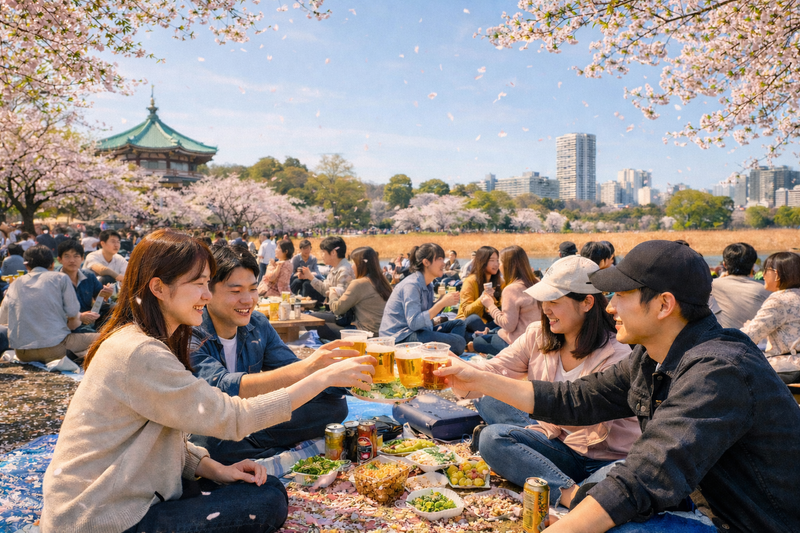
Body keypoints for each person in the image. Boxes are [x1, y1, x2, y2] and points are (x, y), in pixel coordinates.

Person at [435, 240, 800, 533]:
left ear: (663, 305)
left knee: (610, 520)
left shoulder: (718, 370)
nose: (610, 307)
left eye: (621, 294)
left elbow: (645, 475)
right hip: (702, 501)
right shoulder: (650, 356)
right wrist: (479, 378)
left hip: (747, 522)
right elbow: (575, 398)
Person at [41, 229, 375, 533]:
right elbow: (230, 413)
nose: (205, 294)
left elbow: (161, 429)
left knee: (263, 479)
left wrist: (211, 468)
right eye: (199, 284)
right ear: (158, 287)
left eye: (207, 283)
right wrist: (319, 374)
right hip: (101, 517)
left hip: (129, 489)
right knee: (268, 499)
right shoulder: (141, 351)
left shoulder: (159, 338)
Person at [466, 255, 638, 508]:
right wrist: (460, 369)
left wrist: (533, 424)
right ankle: (558, 476)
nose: (545, 309)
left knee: (493, 438)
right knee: (488, 400)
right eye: (544, 301)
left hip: (601, 456)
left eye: (554, 302)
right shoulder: (539, 333)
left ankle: (570, 494)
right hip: (556, 439)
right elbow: (496, 368)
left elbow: (584, 417)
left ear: (587, 302)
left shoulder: (618, 355)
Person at [189, 245, 350, 464]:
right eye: (235, 291)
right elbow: (223, 386)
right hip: (215, 421)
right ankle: (263, 447)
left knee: (334, 404)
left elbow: (290, 368)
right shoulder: (191, 333)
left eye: (253, 289)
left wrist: (344, 380)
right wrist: (309, 367)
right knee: (207, 442)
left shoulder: (258, 324)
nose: (247, 300)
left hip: (254, 419)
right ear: (208, 292)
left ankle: (254, 447)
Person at [0, 245, 96, 363]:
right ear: (52, 264)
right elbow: (73, 315)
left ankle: (77, 355)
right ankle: (78, 356)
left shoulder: (15, 283)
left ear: (26, 265)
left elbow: (3, 318)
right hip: (54, 348)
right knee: (106, 337)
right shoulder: (61, 278)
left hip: (23, 353)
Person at [379, 243, 467, 354]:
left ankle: (444, 350)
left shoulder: (428, 285)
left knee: (459, 324)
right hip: (399, 338)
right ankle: (446, 349)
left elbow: (426, 315)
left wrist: (441, 301)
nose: (443, 263)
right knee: (459, 343)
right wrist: (441, 304)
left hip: (418, 331)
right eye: (439, 259)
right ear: (426, 262)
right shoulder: (411, 285)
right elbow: (415, 323)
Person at [471, 245, 541, 356]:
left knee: (478, 342)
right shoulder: (537, 282)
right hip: (538, 340)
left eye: (500, 262)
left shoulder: (511, 289)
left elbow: (508, 325)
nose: (498, 265)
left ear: (509, 265)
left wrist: (490, 305)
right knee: (491, 332)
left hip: (519, 345)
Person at [317, 246, 391, 339]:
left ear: (361, 264)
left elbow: (337, 309)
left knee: (321, 326)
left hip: (366, 334)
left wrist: (333, 293)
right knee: (322, 319)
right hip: (382, 332)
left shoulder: (359, 283)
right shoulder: (382, 281)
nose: (352, 266)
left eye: (353, 263)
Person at [741, 251, 800, 356]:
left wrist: (748, 326)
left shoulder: (778, 300)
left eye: (766, 270)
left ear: (776, 274)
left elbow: (750, 335)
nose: (763, 275)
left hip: (787, 367)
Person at [57, 240, 114, 333]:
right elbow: (55, 310)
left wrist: (106, 295)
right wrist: (80, 316)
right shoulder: (55, 280)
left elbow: (99, 298)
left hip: (91, 318)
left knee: (120, 311)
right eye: (67, 256)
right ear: (59, 259)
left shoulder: (89, 275)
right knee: (99, 336)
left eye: (76, 256)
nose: (72, 260)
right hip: (70, 324)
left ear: (82, 258)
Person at [711, 242, 770, 329]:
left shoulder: (711, 286)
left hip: (722, 340)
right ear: (753, 266)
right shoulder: (767, 289)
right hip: (758, 341)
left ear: (724, 265)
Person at [457, 246, 501, 338]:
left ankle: (480, 338)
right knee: (474, 319)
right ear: (482, 262)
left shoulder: (499, 282)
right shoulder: (471, 281)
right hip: (469, 321)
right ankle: (487, 338)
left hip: (487, 322)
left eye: (497, 260)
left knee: (505, 320)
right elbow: (467, 312)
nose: (496, 264)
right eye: (492, 260)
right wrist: (482, 298)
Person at [294, 236, 353, 304]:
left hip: (341, 313)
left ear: (333, 253)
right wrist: (310, 277)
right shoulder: (334, 268)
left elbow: (341, 299)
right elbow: (324, 289)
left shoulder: (344, 270)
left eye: (323, 252)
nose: (321, 255)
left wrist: (330, 294)